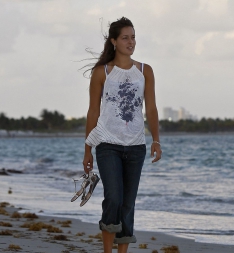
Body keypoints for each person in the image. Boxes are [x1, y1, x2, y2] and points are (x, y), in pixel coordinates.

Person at [82, 17, 162, 253]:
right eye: (125, 37)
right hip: (107, 144)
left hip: (136, 145)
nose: (131, 42)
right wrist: (87, 149)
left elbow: (152, 108)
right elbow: (93, 111)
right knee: (114, 198)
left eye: (133, 37)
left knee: (127, 204)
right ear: (114, 41)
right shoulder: (102, 72)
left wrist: (156, 140)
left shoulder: (145, 71)